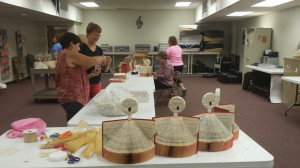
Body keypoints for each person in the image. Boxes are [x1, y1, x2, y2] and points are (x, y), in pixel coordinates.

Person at [55, 32, 108, 121]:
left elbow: (73, 75)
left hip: (72, 97)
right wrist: (102, 58)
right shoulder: (69, 53)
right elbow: (93, 60)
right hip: (73, 98)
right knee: (75, 123)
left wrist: (91, 75)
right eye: (78, 45)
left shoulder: (64, 55)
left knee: (76, 121)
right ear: (71, 44)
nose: (79, 49)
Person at [80, 22, 112, 98]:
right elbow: (80, 68)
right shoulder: (81, 48)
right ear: (88, 33)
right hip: (85, 82)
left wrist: (107, 63)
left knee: (95, 103)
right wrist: (96, 61)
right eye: (94, 35)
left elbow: (105, 69)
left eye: (98, 35)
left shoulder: (99, 50)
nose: (97, 37)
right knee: (84, 105)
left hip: (97, 82)